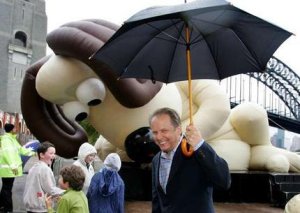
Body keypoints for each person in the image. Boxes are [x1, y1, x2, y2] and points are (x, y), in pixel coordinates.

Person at [149, 107, 231, 213]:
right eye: (155, 132)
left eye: (164, 131)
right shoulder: (156, 159)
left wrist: (200, 145)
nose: (159, 137)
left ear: (178, 129)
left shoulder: (196, 151)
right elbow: (157, 201)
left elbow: (224, 181)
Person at [0, 123, 35, 213]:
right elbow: (7, 154)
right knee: (7, 189)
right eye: (15, 128)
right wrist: (13, 166)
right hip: (8, 169)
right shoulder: (7, 140)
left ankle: (1, 205)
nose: (16, 129)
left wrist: (32, 153)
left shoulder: (12, 139)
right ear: (11, 130)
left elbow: (21, 149)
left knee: (6, 188)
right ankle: (7, 209)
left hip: (10, 169)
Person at [23, 141, 64, 213]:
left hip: (30, 205)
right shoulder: (45, 169)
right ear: (41, 155)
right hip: (40, 207)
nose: (53, 156)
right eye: (51, 153)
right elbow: (50, 189)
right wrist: (66, 192)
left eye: (54, 153)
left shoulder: (33, 168)